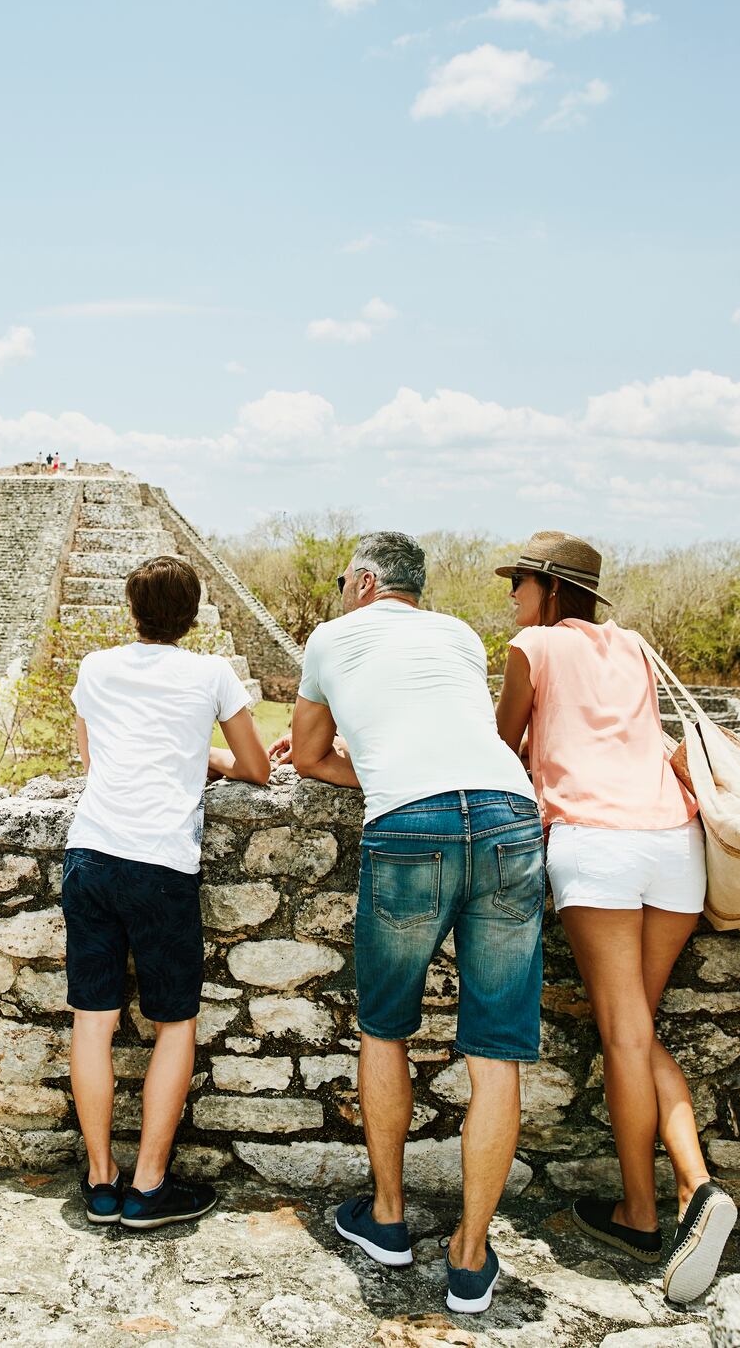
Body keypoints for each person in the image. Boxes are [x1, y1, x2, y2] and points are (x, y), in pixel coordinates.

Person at [269, 531, 542, 1315]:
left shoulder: (329, 637)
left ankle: (386, 1218)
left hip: (410, 826)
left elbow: (314, 757)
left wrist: (372, 762)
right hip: (506, 817)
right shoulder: (458, 635)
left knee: (383, 1028)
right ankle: (468, 1254)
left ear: (361, 581)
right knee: (496, 1051)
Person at [492, 530, 737, 1305]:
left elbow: (500, 743)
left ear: (548, 589)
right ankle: (690, 1191)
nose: (512, 596)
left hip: (596, 843)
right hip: (673, 842)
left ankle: (653, 1207)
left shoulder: (530, 645)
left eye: (521, 582)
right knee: (638, 1031)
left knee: (624, 1033)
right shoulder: (629, 643)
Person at [64, 554, 269, 1232]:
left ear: (131, 609)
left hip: (90, 852)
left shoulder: (96, 667)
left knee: (92, 1020)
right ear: (193, 614)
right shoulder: (210, 672)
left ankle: (99, 1179)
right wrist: (205, 758)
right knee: (172, 1023)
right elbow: (257, 768)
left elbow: (92, 761)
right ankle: (148, 1184)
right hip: (159, 862)